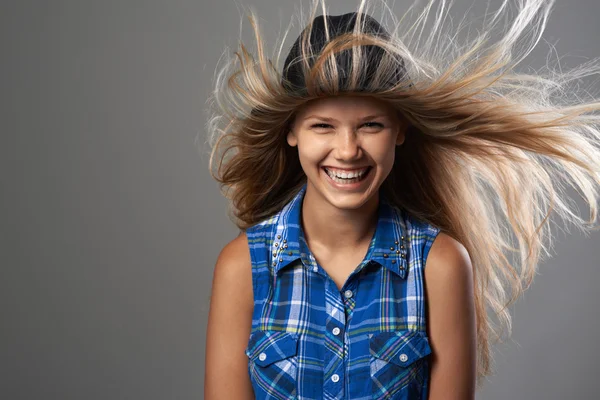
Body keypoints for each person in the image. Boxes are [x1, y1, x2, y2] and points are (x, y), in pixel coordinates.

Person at [202, 0, 600, 398]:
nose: (347, 150)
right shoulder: (243, 267)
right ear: (291, 132)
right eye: (322, 126)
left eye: (370, 125)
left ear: (400, 130)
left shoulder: (440, 266)